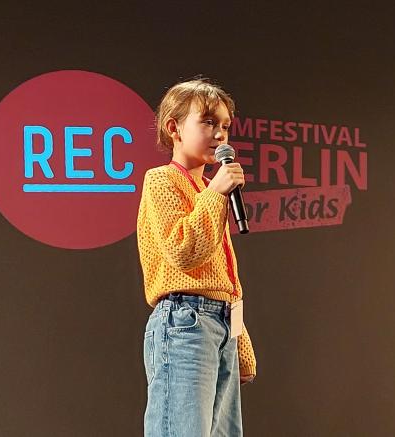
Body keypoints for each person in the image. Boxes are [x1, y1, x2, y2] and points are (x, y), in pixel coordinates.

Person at [137, 78, 255, 437]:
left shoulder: (207, 193)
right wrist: (217, 193)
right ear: (173, 127)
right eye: (207, 122)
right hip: (184, 322)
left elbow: (223, 277)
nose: (220, 135)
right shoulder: (162, 182)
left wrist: (240, 343)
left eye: (224, 127)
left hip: (221, 329)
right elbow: (183, 253)